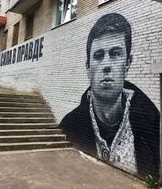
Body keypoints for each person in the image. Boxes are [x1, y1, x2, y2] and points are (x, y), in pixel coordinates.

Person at [59, 13, 159, 179]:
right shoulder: (68, 127)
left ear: (128, 63)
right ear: (88, 68)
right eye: (98, 56)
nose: (106, 65)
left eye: (115, 53)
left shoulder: (153, 124)